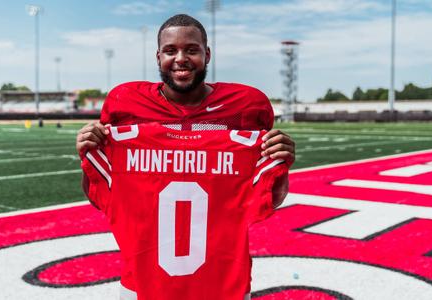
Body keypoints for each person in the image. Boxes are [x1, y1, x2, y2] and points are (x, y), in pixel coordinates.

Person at [76, 14, 295, 299]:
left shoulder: (246, 107)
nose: (181, 58)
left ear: (207, 54)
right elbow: (100, 195)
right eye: (171, 50)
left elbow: (269, 199)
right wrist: (89, 152)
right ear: (158, 56)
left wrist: (280, 161)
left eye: (191, 49)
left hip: (223, 284)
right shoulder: (126, 103)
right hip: (143, 283)